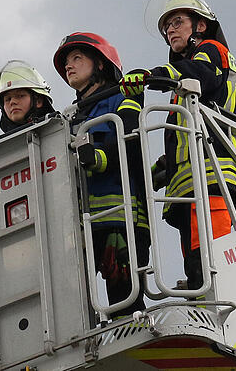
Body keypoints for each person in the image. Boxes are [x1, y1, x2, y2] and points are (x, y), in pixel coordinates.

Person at [119, 0, 236, 291]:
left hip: (214, 175)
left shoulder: (212, 51)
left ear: (199, 25)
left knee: (214, 260)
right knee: (196, 258)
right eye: (166, 27)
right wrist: (158, 170)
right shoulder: (184, 88)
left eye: (177, 22)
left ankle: (211, 292)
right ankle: (197, 287)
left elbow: (201, 72)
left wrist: (152, 75)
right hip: (190, 183)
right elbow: (183, 137)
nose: (170, 31)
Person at [53, 32, 150, 318]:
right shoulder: (68, 117)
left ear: (101, 64)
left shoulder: (120, 98)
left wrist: (99, 156)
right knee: (75, 311)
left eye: (77, 58)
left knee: (125, 305)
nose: (69, 66)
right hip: (83, 225)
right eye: (66, 62)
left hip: (122, 220)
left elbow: (128, 139)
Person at [0, 60, 55, 133]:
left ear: (38, 101)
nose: (12, 102)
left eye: (20, 96)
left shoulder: (60, 131)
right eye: (8, 99)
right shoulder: (5, 144)